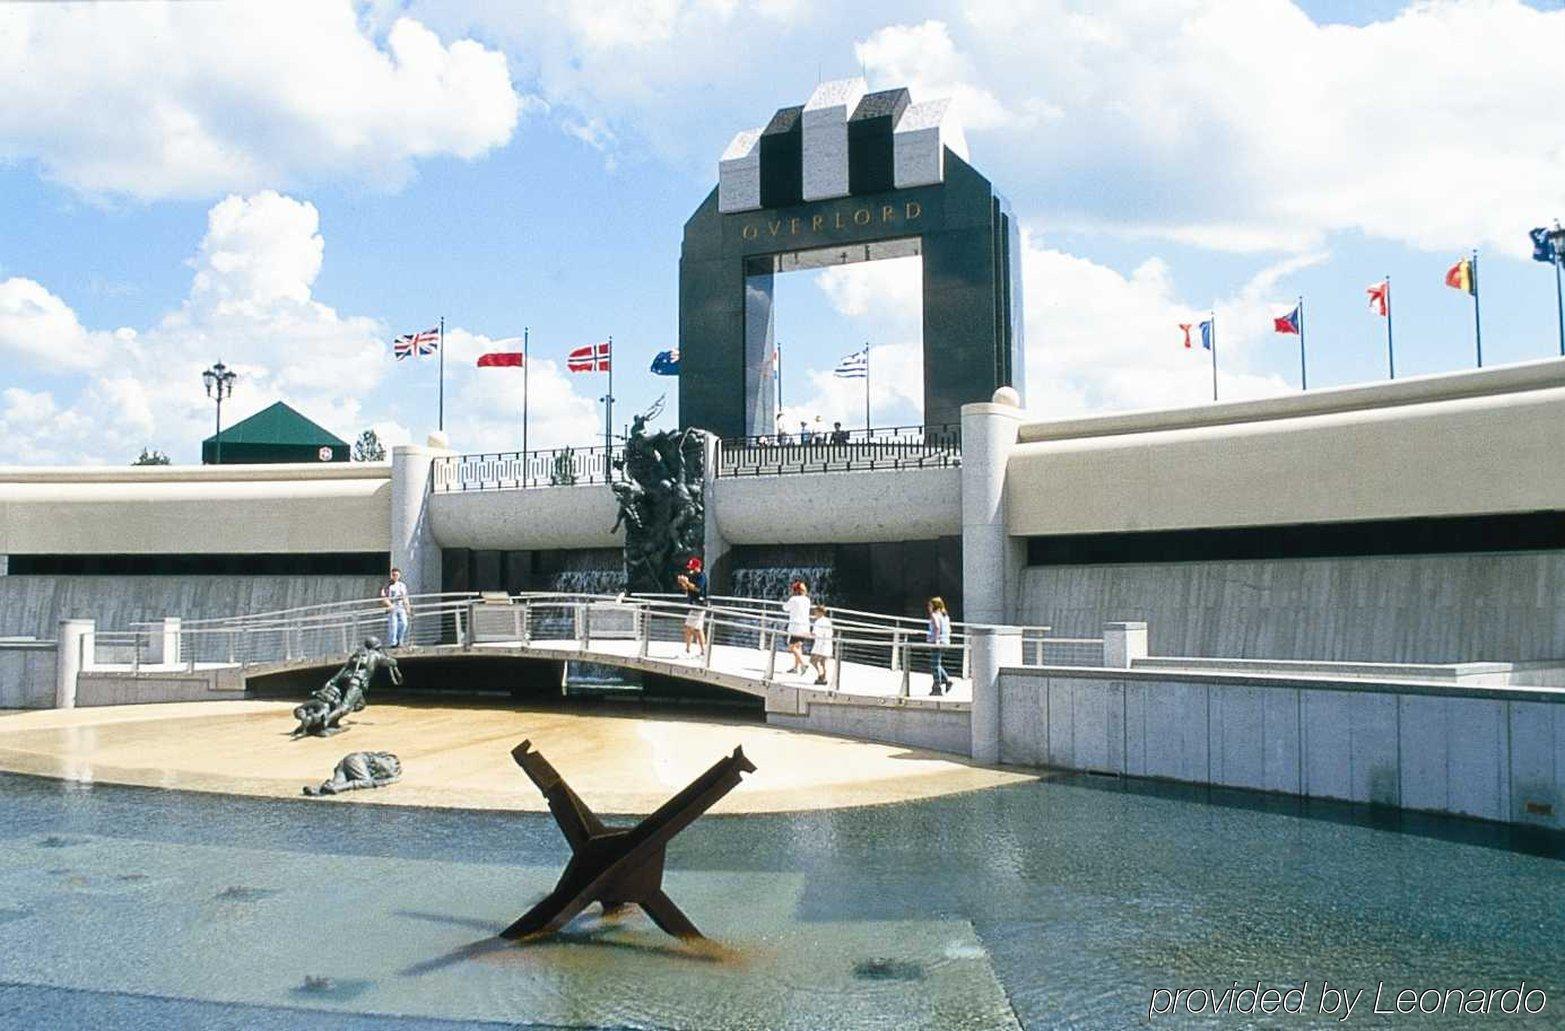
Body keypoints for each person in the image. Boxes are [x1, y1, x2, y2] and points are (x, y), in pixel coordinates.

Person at [674, 556, 708, 656]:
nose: (690, 570)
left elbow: (698, 589)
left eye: (692, 568)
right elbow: (688, 590)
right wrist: (683, 583)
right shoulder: (693, 576)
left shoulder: (702, 576)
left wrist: (687, 582)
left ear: (697, 567)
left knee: (691, 628)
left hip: (699, 605)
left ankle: (692, 650)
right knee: (696, 629)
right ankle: (699, 650)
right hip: (694, 605)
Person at [783, 580, 812, 674]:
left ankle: (804, 663)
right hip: (805, 626)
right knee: (798, 647)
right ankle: (796, 668)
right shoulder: (807, 600)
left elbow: (785, 608)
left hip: (796, 627)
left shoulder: (793, 599)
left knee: (791, 647)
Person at [927, 596, 953, 696]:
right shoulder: (945, 616)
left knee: (934, 664)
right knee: (936, 663)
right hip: (946, 641)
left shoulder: (935, 615)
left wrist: (936, 640)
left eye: (930, 605)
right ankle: (946, 681)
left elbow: (937, 627)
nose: (928, 607)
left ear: (934, 606)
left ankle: (937, 687)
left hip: (938, 643)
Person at [381, 567, 411, 648]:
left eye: (396, 575)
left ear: (399, 575)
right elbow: (384, 597)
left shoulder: (402, 585)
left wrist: (408, 608)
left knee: (404, 624)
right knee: (393, 626)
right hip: (392, 607)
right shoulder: (387, 586)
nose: (395, 576)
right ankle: (393, 644)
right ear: (391, 575)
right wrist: (390, 605)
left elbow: (405, 597)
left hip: (401, 607)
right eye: (393, 575)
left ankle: (399, 639)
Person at [809, 604, 834, 686]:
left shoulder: (818, 622)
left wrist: (807, 634)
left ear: (820, 612)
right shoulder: (828, 621)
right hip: (828, 643)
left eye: (816, 612)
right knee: (823, 662)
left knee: (813, 660)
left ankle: (820, 674)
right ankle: (823, 678)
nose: (815, 614)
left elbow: (815, 634)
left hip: (820, 645)